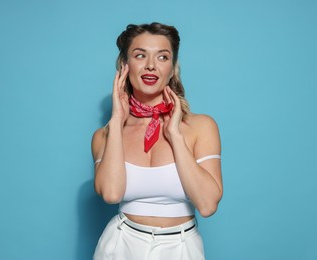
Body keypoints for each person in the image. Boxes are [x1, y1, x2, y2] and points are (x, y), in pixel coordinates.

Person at [91, 22, 222, 260]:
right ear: (124, 66)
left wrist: (175, 135)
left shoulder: (201, 127)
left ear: (172, 69)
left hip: (181, 247)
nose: (151, 65)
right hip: (120, 245)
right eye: (140, 55)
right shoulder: (105, 135)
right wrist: (118, 119)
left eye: (163, 57)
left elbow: (207, 205)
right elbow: (111, 194)